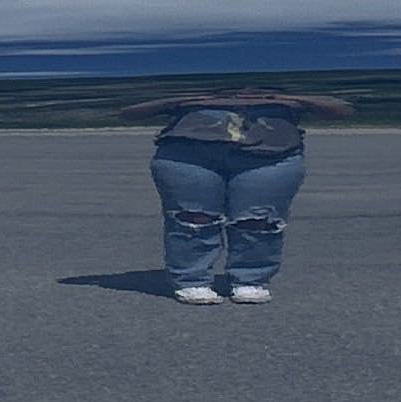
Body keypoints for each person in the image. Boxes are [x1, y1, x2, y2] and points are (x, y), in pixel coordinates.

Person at [132, 88, 350, 302]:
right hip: (187, 153)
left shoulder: (290, 84)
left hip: (272, 154)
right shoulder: (192, 85)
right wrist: (200, 98)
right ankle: (191, 279)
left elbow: (341, 110)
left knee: (259, 220)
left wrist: (278, 97)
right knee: (193, 218)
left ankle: (251, 278)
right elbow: (130, 111)